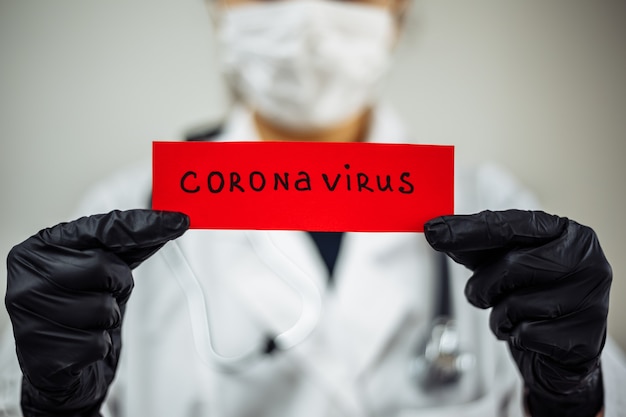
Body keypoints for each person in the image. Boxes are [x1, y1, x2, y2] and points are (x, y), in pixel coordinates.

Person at [1, 0, 625, 416]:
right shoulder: (117, 214)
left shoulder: (494, 210)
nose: (308, 17)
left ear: (399, 12)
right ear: (220, 10)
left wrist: (574, 397)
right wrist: (52, 405)